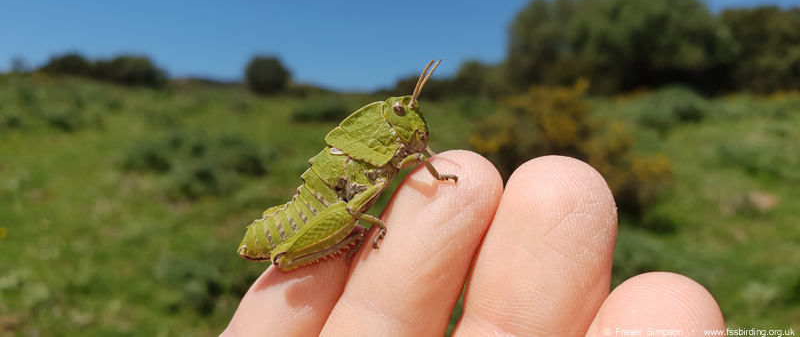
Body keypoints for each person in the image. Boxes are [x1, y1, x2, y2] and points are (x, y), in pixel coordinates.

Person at [221, 151, 725, 336]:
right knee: (354, 217)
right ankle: (331, 246)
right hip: (292, 227)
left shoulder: (387, 152)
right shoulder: (352, 158)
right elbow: (363, 195)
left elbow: (410, 163)